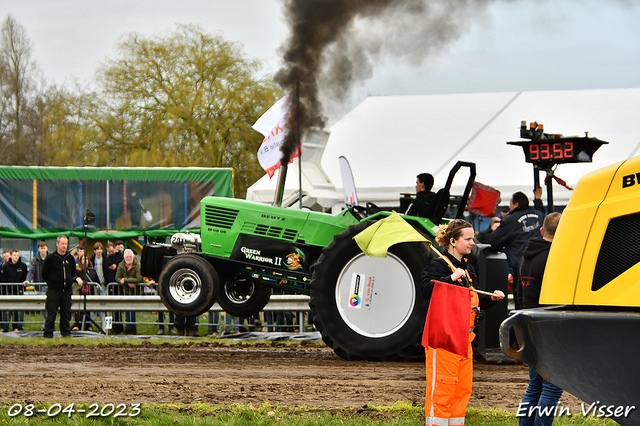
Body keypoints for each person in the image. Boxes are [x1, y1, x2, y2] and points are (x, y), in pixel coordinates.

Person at [420, 219, 505, 426]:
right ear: (452, 241)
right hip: (444, 339)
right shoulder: (439, 265)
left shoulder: (468, 269)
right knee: (443, 390)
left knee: (461, 391)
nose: (472, 242)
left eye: (472, 238)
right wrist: (449, 278)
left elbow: (475, 300)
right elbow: (426, 290)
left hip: (465, 340)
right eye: (467, 239)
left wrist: (491, 299)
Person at [517, 212, 563, 426]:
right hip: (551, 329)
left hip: (529, 325)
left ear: (542, 231)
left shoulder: (526, 256)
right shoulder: (556, 258)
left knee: (534, 386)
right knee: (552, 388)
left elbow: (519, 295)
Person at [491, 188, 545, 309]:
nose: (509, 207)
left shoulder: (510, 220)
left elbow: (494, 241)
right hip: (541, 263)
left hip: (521, 267)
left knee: (521, 299)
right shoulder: (539, 215)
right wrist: (537, 199)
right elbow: (542, 211)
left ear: (516, 204)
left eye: (510, 204)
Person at [42, 235, 83, 338]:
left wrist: (70, 281)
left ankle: (65, 333)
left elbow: (72, 272)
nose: (64, 246)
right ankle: (48, 333)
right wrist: (52, 282)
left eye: (66, 244)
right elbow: (44, 273)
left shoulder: (70, 258)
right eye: (62, 243)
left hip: (66, 290)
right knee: (51, 313)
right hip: (54, 290)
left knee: (66, 313)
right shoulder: (51, 258)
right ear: (57, 244)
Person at [116, 248, 142, 335]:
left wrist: (125, 280)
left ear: (133, 257)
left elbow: (139, 278)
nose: (129, 258)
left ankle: (133, 329)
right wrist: (126, 282)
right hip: (126, 291)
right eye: (127, 256)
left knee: (133, 310)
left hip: (135, 292)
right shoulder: (121, 265)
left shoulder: (138, 264)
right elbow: (117, 277)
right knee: (127, 309)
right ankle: (127, 328)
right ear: (124, 257)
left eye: (130, 256)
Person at [1, 248, 28, 331]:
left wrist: (22, 288)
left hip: (18, 291)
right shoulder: (5, 266)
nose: (16, 257)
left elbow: (24, 278)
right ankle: (5, 327)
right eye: (14, 255)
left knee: (19, 310)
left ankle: (17, 327)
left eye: (17, 255)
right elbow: (3, 279)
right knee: (7, 311)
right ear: (11, 256)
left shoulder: (23, 265)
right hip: (8, 291)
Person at [105, 241, 124, 334]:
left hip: (118, 285)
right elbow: (105, 270)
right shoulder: (108, 258)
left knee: (119, 306)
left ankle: (119, 326)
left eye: (112, 251)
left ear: (115, 248)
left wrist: (116, 267)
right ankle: (113, 326)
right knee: (112, 307)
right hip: (110, 284)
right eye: (109, 252)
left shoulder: (120, 257)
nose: (111, 253)